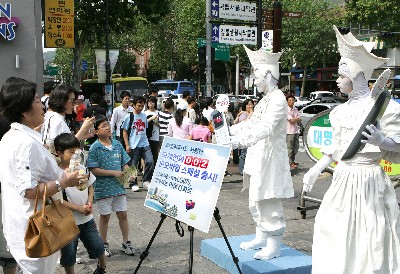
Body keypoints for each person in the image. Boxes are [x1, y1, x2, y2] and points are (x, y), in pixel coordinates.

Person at [302, 26, 400, 274]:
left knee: (369, 236)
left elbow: (398, 145)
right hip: (342, 179)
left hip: (368, 181)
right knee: (332, 228)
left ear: (356, 75)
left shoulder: (384, 108)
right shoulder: (339, 112)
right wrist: (315, 169)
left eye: (340, 74)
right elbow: (334, 148)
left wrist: (381, 141)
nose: (336, 79)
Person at [0, 77, 87, 274]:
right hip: (36, 230)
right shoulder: (26, 144)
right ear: (24, 110)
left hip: (23, 226)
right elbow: (29, 191)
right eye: (38, 101)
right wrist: (64, 181)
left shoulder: (11, 137)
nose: (42, 105)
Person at [224, 46, 293, 260]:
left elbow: (266, 128)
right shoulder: (264, 99)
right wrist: (228, 131)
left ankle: (274, 244)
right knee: (255, 198)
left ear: (268, 75)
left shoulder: (279, 99)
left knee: (268, 199)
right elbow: (251, 123)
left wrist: (237, 142)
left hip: (271, 157)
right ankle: (260, 236)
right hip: (258, 154)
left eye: (256, 75)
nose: (253, 81)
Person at [54, 133, 106, 274]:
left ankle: (102, 268)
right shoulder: (56, 174)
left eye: (77, 151)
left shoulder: (81, 167)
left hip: (87, 218)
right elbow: (58, 199)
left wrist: (89, 203)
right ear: (59, 153)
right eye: (71, 152)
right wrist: (78, 208)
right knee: (68, 254)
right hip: (68, 222)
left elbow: (90, 186)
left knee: (98, 246)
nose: (75, 155)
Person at [87, 115, 135, 257]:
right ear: (96, 131)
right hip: (103, 189)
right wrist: (113, 173)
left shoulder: (117, 144)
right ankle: (104, 243)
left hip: (119, 188)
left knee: (123, 215)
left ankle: (126, 242)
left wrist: (129, 173)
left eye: (108, 124)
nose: (107, 127)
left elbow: (124, 163)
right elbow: (93, 169)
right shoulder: (95, 148)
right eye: (103, 126)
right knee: (105, 217)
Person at [121, 96, 154, 191]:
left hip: (144, 143)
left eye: (142, 106)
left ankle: (146, 180)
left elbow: (145, 129)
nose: (141, 108)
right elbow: (124, 131)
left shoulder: (144, 116)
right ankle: (133, 183)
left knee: (150, 161)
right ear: (134, 105)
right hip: (133, 144)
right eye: (139, 105)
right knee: (133, 165)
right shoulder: (129, 116)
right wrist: (127, 144)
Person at [234, 99, 254, 175]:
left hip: (252, 136)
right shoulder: (244, 114)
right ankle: (242, 169)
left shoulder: (254, 114)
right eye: (248, 104)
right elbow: (244, 123)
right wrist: (250, 114)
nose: (250, 106)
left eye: (251, 104)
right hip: (244, 137)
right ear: (245, 106)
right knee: (244, 154)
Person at [286, 95, 301, 169]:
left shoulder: (295, 109)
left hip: (295, 130)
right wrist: (296, 119)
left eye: (292, 100)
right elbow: (291, 120)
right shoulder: (286, 110)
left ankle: (293, 160)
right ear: (287, 101)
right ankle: (289, 162)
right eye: (289, 100)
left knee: (296, 147)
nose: (291, 102)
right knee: (289, 148)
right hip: (289, 131)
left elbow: (299, 118)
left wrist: (295, 119)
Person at [145, 96, 160, 164]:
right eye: (149, 103)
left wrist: (156, 122)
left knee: (155, 154)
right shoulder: (145, 113)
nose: (150, 104)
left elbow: (161, 125)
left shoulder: (158, 113)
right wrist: (151, 118)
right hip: (146, 136)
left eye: (152, 103)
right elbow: (143, 123)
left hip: (155, 136)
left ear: (155, 103)